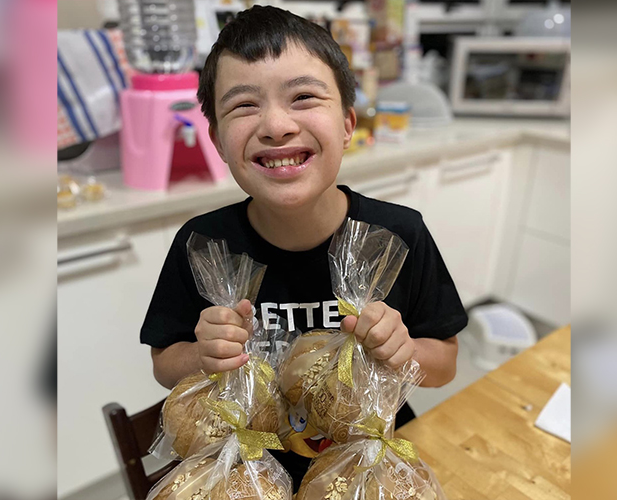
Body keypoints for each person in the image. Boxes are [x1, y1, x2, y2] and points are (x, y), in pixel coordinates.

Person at [140, 5, 467, 490]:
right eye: (244, 105)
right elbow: (165, 363)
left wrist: (403, 351)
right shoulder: (204, 244)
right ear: (217, 140)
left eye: (304, 97)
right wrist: (202, 355)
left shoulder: (397, 236)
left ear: (347, 123)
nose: (276, 125)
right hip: (245, 468)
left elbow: (444, 364)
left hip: (365, 464)